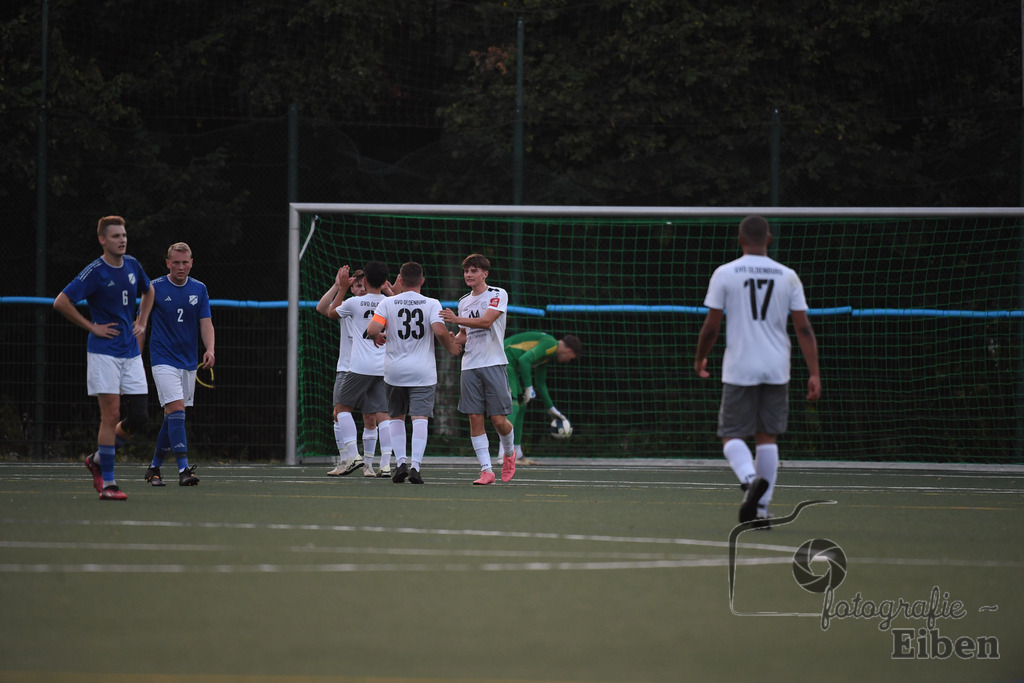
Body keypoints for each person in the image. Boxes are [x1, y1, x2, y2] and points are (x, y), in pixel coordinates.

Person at [694, 215, 821, 526]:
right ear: (769, 239)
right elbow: (803, 327)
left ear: (740, 240)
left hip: (740, 365)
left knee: (731, 435)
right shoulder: (788, 275)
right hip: (777, 366)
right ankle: (760, 510)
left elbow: (711, 328)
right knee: (767, 438)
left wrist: (700, 359)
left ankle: (750, 480)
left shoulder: (725, 273)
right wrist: (814, 372)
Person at [53, 215, 155, 501]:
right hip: (104, 352)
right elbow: (61, 301)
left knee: (139, 417)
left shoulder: (133, 264)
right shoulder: (95, 272)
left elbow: (149, 291)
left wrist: (142, 320)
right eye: (115, 236)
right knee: (110, 415)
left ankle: (96, 460)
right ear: (102, 240)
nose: (122, 239)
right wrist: (91, 326)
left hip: (130, 352)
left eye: (123, 235)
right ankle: (108, 483)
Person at [365, 261, 461, 484]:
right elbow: (439, 330)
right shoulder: (431, 303)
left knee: (396, 417)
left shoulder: (388, 303)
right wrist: (451, 346)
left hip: (394, 371)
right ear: (422, 281)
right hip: (423, 372)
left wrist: (376, 337)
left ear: (400, 279)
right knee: (420, 418)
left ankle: (400, 463)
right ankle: (416, 466)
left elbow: (372, 330)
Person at [440, 254, 517, 485]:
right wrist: (454, 338)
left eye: (473, 271)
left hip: (493, 362)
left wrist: (455, 318)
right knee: (474, 417)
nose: (468, 275)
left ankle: (509, 453)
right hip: (470, 365)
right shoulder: (463, 301)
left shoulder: (497, 294)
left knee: (499, 420)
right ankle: (486, 470)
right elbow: (465, 335)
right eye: (466, 271)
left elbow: (485, 322)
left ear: (485, 273)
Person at [143, 242, 214, 487]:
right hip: (162, 359)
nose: (181, 267)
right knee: (178, 410)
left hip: (188, 362)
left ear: (191, 263)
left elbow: (206, 322)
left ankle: (154, 468)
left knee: (172, 414)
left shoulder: (200, 289)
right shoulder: (154, 287)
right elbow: (140, 322)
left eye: (185, 262)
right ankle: (184, 469)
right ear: (167, 263)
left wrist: (210, 349)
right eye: (176, 262)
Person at [324, 261, 395, 478]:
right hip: (383, 367)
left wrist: (343, 287)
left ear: (363, 281)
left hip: (359, 367)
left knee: (341, 410)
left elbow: (331, 313)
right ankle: (385, 463)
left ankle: (354, 456)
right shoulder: (389, 302)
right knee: (383, 414)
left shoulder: (354, 302)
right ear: (383, 282)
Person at [315, 266, 374, 476]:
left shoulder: (377, 307)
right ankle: (345, 460)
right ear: (351, 288)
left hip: (369, 368)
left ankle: (368, 464)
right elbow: (322, 309)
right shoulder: (347, 307)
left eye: (364, 285)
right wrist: (337, 285)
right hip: (346, 368)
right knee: (338, 413)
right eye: (357, 285)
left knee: (371, 417)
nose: (361, 289)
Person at [504, 332, 583, 465]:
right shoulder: (551, 343)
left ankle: (517, 453)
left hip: (510, 364)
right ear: (569, 351)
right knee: (514, 406)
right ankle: (505, 455)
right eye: (571, 357)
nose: (568, 360)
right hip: (503, 358)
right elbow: (524, 360)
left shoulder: (548, 356)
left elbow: (540, 383)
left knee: (521, 406)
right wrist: (529, 387)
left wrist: (552, 409)